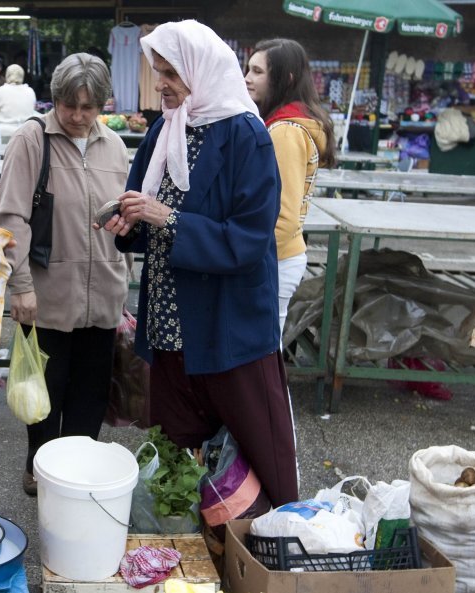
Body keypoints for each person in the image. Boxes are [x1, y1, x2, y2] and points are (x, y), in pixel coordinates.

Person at [98, 21, 297, 510]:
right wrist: (132, 223)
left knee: (258, 448)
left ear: (201, 71)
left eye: (170, 72)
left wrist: (167, 219)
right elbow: (149, 209)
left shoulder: (246, 136)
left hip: (226, 326)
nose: (160, 83)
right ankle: (187, 541)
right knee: (176, 453)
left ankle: (271, 543)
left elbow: (249, 238)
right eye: (156, 71)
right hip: (170, 323)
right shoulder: (167, 129)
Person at [0, 53, 130, 496]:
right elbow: (11, 217)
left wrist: (121, 275)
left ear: (102, 105)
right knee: (44, 393)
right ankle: (40, 471)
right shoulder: (32, 141)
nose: (77, 116)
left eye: (88, 107)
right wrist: (22, 286)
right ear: (54, 100)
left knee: (90, 392)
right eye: (68, 105)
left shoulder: (115, 147)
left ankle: (78, 475)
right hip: (47, 295)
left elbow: (126, 217)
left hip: (103, 293)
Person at [245, 38, 336, 332]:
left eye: (257, 71)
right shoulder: (284, 124)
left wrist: (244, 261)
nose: (247, 78)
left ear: (286, 79)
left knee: (262, 362)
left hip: (274, 260)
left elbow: (281, 217)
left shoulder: (285, 131)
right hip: (278, 257)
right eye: (248, 69)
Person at [0, 64, 37, 144]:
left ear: (7, 75)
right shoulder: (30, 91)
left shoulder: (2, 91)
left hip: (6, 133)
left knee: (5, 155)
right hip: (26, 133)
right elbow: (33, 107)